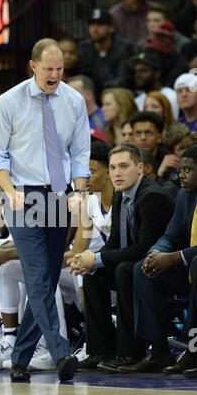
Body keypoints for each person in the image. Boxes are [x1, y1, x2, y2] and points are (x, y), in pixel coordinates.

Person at [0, 37, 91, 382]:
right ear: (33, 66)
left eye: (60, 69)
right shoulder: (8, 101)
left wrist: (77, 190)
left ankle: (19, 359)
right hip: (21, 195)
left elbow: (79, 153)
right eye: (49, 69)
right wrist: (9, 191)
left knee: (44, 280)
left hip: (60, 194)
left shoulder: (74, 100)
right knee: (36, 273)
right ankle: (62, 353)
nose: (55, 75)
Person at [67, 143, 175, 371]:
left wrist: (96, 258)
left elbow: (145, 247)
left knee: (124, 269)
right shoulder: (121, 195)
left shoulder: (152, 196)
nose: (117, 173)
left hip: (164, 267)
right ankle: (100, 350)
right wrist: (90, 259)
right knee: (94, 274)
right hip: (136, 264)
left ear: (140, 168)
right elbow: (116, 242)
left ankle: (130, 353)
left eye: (124, 166)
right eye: (113, 168)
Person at [118, 145, 197, 374]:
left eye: (189, 170)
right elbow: (171, 235)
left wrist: (174, 258)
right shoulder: (184, 196)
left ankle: (193, 352)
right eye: (180, 169)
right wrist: (155, 254)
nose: (181, 175)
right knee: (143, 270)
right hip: (188, 267)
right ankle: (158, 351)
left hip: (193, 265)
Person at [78, 9, 133, 102]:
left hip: (117, 96)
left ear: (111, 28)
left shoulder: (124, 47)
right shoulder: (84, 48)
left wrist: (100, 86)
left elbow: (123, 79)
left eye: (100, 25)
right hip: (91, 97)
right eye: (91, 25)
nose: (95, 29)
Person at [130, 52, 179, 119]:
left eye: (143, 71)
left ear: (157, 74)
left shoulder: (171, 96)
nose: (138, 75)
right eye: (136, 71)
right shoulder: (137, 100)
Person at [158, 122, 196, 187]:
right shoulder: (170, 169)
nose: (188, 149)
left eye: (189, 144)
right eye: (181, 148)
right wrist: (160, 173)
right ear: (172, 153)